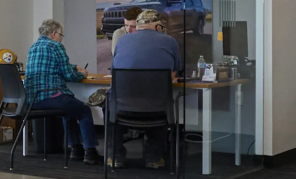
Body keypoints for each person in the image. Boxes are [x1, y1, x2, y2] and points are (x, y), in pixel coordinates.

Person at [108, 12, 182, 167]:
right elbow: (172, 76)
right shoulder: (170, 41)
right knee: (159, 100)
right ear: (157, 26)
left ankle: (115, 157)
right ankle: (153, 158)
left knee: (108, 103)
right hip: (157, 110)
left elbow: (115, 71)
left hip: (123, 108)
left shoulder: (122, 40)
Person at [21, 17, 96, 161]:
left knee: (70, 110)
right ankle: (90, 152)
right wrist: (82, 73)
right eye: (61, 35)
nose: (61, 38)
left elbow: (52, 65)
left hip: (32, 99)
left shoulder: (34, 47)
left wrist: (74, 66)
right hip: (50, 96)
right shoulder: (56, 46)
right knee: (84, 111)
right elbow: (69, 75)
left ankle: (76, 149)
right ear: (54, 34)